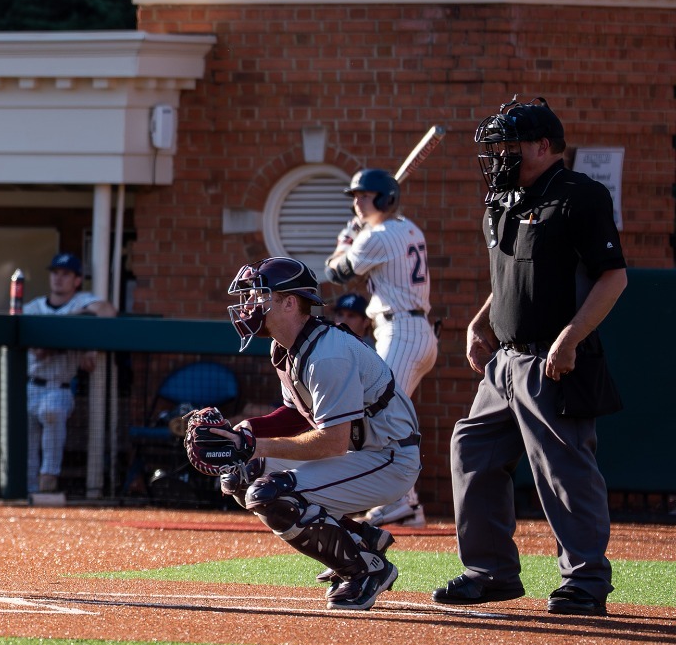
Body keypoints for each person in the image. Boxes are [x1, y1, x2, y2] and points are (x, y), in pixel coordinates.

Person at [439, 98, 627, 617]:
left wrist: (570, 339)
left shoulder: (579, 196)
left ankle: (585, 580)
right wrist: (479, 323)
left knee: (563, 469)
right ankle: (490, 572)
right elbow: (511, 276)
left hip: (553, 360)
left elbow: (614, 277)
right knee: (472, 449)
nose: (499, 155)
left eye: (509, 145)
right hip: (502, 362)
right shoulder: (504, 200)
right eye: (496, 146)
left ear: (543, 146)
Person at [186, 256, 418, 611]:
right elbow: (297, 416)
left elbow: (332, 442)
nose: (249, 304)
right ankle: (362, 539)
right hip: (360, 451)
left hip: (389, 457)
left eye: (260, 296)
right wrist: (245, 431)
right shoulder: (286, 347)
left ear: (290, 303)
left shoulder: (327, 355)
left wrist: (252, 444)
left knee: (268, 494)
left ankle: (364, 570)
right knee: (241, 476)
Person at [325, 166, 438, 528]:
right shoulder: (407, 227)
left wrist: (346, 237)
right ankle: (408, 504)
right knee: (384, 415)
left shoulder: (377, 236)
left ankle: (401, 502)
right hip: (411, 329)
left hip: (401, 330)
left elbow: (336, 272)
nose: (358, 202)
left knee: (380, 416)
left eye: (365, 196)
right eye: (356, 196)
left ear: (385, 198)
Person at [20, 253, 117, 496]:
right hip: (29, 383)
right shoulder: (33, 307)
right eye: (55, 273)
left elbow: (107, 311)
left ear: (77, 280)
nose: (58, 278)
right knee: (25, 445)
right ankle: (26, 491)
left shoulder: (81, 301)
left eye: (65, 274)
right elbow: (40, 350)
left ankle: (48, 480)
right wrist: (76, 336)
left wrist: (88, 343)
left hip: (59, 386)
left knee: (52, 412)